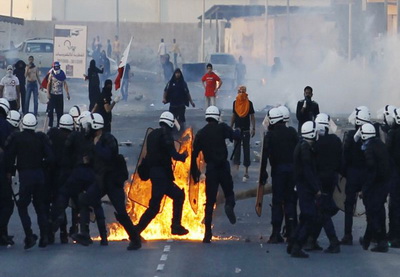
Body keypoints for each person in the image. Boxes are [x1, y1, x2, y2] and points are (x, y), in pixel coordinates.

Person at [75, 113, 142, 250]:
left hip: (112, 181)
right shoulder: (93, 140)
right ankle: (85, 234)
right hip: (100, 181)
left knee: (121, 212)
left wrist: (96, 146)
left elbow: (108, 155)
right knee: (84, 200)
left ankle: (135, 239)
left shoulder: (109, 139)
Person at [136, 112, 189, 237]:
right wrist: (183, 156)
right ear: (170, 123)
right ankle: (136, 230)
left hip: (155, 174)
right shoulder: (166, 135)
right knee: (155, 207)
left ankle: (175, 226)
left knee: (177, 196)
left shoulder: (152, 134)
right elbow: (173, 154)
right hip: (162, 176)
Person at [5, 113, 54, 249]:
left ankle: (29, 235)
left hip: (25, 176)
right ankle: (44, 236)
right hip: (39, 175)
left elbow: (10, 156)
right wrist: (42, 165)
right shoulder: (40, 138)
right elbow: (50, 157)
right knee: (40, 207)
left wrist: (10, 171)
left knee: (22, 207)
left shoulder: (17, 138)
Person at [191, 106, 239, 243]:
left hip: (211, 170)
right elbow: (234, 136)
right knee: (229, 192)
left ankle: (207, 234)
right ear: (217, 116)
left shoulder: (202, 133)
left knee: (209, 201)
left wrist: (196, 172)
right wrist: (239, 132)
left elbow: (194, 154)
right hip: (223, 166)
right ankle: (229, 205)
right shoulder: (222, 127)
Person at [260, 107, 298, 243]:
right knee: (290, 201)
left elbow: (264, 156)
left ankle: (276, 234)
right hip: (292, 171)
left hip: (278, 172)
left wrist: (263, 174)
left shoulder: (270, 136)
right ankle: (291, 231)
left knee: (277, 202)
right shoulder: (292, 132)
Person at [306, 113, 341, 253]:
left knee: (322, 211)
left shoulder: (316, 144)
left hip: (319, 180)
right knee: (322, 210)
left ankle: (333, 242)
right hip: (332, 179)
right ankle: (312, 240)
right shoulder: (336, 140)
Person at [288, 121, 321, 258]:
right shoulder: (305, 149)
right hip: (306, 188)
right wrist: (316, 189)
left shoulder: (301, 146)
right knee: (309, 217)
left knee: (304, 217)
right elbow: (308, 170)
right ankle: (297, 246)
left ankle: (292, 243)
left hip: (302, 187)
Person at [359, 123, 391, 252]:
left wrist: (364, 189)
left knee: (373, 214)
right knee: (378, 213)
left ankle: (381, 242)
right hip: (384, 184)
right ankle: (368, 239)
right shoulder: (379, 144)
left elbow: (372, 170)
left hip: (376, 186)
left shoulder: (368, 148)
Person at [341, 106, 371, 245]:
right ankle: (370, 236)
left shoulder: (350, 136)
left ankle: (348, 235)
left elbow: (344, 156)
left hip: (352, 174)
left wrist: (344, 173)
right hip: (366, 174)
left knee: (349, 206)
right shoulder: (371, 136)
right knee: (370, 206)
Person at [46, 114, 74, 244]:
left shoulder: (52, 135)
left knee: (53, 202)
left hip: (51, 174)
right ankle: (62, 232)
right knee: (61, 203)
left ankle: (51, 233)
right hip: (65, 175)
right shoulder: (71, 139)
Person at [230, 86, 255, 182]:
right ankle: (236, 170)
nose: (241, 93)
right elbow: (233, 115)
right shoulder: (235, 103)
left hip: (246, 131)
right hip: (237, 130)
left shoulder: (249, 104)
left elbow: (252, 116)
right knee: (236, 150)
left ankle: (246, 171)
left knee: (246, 150)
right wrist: (231, 127)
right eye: (239, 92)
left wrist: (253, 128)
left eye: (242, 92)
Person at [0, 98, 13, 246]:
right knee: (7, 204)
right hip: (2, 171)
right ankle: (2, 233)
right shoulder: (7, 127)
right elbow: (9, 153)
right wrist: (9, 171)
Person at [386, 107, 400, 247]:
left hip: (395, 174)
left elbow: (387, 154)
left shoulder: (393, 133)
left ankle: (394, 236)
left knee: (395, 206)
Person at [46, 61, 70, 128]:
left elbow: (65, 84)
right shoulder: (51, 74)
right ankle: (50, 125)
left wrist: (67, 93)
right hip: (52, 94)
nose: (56, 68)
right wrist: (48, 93)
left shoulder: (62, 73)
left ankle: (59, 125)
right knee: (50, 111)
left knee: (59, 111)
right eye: (55, 67)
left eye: (58, 67)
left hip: (60, 95)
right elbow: (48, 84)